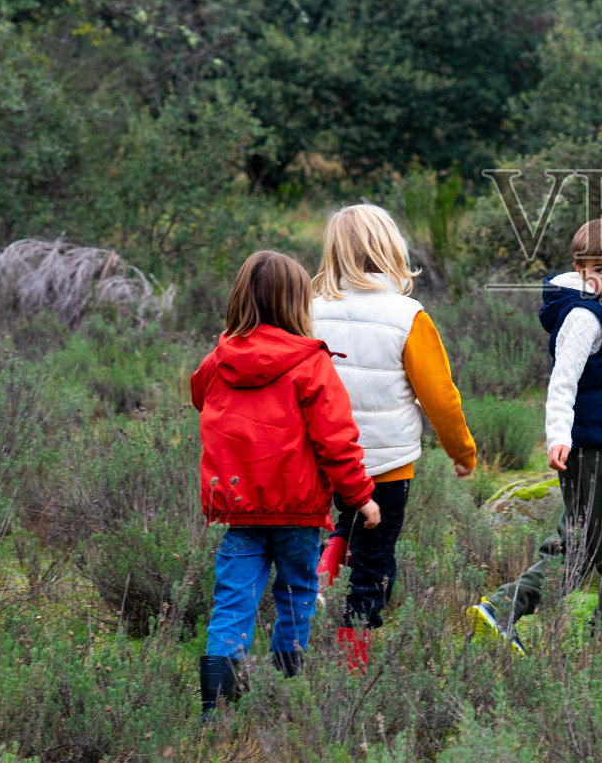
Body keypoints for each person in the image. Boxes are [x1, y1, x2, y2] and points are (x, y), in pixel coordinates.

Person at [193, 250, 380, 722]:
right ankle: (283, 694)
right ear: (299, 303)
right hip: (298, 515)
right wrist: (361, 498)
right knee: (296, 598)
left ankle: (217, 716)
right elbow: (336, 441)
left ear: (241, 299)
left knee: (231, 606)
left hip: (240, 512)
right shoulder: (311, 364)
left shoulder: (218, 361)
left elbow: (199, 394)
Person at [469, 218, 602, 653]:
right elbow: (563, 381)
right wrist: (559, 435)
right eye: (598, 268)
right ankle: (600, 644)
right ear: (579, 268)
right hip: (593, 445)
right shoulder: (583, 315)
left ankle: (503, 610)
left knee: (582, 545)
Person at [310, 204, 477, 667]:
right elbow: (440, 398)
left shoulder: (307, 308)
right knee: (374, 562)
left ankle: (318, 582)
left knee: (345, 520)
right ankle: (351, 665)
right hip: (385, 464)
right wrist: (462, 452)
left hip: (322, 458)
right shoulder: (408, 316)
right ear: (391, 250)